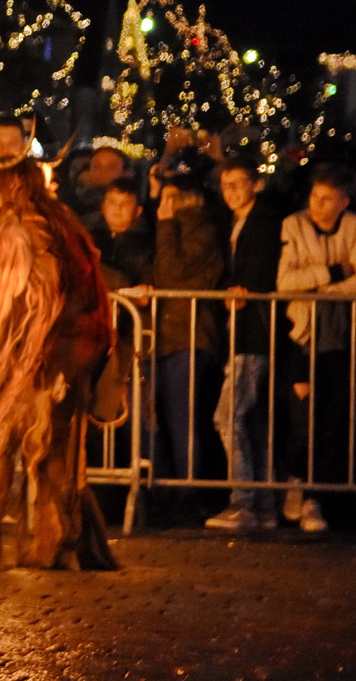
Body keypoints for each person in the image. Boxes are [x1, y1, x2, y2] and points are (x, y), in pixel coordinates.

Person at [0, 155, 116, 569]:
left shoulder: (21, 230)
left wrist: (44, 361)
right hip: (57, 353)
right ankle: (63, 545)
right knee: (50, 450)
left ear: (3, 188)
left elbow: (47, 296)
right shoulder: (50, 220)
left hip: (47, 356)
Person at [274, 163, 356, 535]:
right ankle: (299, 485)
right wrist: (334, 273)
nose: (317, 205)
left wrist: (319, 287)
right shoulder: (294, 225)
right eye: (314, 196)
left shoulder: (352, 227)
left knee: (333, 419)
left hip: (341, 337)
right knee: (303, 418)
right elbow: (286, 281)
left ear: (344, 202)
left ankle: (316, 496)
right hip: (302, 337)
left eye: (327, 199)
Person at [206, 159, 286, 531]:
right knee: (249, 419)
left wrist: (244, 289)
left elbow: (261, 269)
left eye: (239, 183)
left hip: (254, 330)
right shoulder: (234, 223)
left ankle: (243, 501)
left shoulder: (264, 221)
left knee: (228, 415)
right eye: (226, 185)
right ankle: (263, 504)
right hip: (242, 331)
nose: (231, 191)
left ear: (256, 184)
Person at [142, 178, 224, 489]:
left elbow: (171, 272)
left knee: (181, 419)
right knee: (154, 416)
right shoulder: (174, 230)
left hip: (188, 336)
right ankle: (161, 487)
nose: (161, 204)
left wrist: (165, 225)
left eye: (168, 198)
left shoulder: (200, 231)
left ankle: (187, 489)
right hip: (164, 336)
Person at [87, 177, 152, 289]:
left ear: (138, 211)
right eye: (112, 202)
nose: (118, 208)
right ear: (103, 206)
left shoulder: (147, 244)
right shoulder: (89, 238)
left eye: (126, 203)